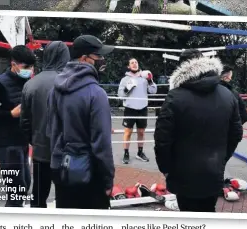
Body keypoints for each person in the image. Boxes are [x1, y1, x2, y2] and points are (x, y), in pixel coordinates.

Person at [154, 49, 243, 212]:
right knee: (208, 212)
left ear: (181, 68)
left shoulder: (175, 96)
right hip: (213, 171)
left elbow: (162, 140)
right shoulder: (228, 94)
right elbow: (236, 133)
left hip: (183, 174)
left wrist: (166, 168)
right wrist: (221, 159)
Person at [46, 35, 115, 209]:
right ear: (84, 58)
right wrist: (107, 181)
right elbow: (102, 145)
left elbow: (51, 131)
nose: (102, 60)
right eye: (98, 56)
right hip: (90, 175)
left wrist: (55, 166)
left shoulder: (55, 89)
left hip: (62, 169)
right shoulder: (96, 94)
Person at [20, 41, 70, 208]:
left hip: (40, 150)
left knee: (39, 195)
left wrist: (34, 140)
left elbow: (25, 122)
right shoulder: (69, 82)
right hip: (65, 151)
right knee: (65, 196)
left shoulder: (31, 84)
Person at [0, 45, 36, 207]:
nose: (29, 70)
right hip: (6, 143)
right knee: (16, 189)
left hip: (22, 142)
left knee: (25, 185)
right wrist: (10, 114)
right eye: (26, 67)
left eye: (32, 67)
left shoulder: (28, 83)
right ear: (13, 64)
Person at [117, 58, 157, 164]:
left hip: (142, 108)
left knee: (141, 132)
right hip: (130, 109)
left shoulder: (144, 77)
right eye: (132, 63)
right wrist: (127, 89)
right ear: (128, 66)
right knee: (128, 132)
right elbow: (120, 95)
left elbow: (153, 91)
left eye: (136, 62)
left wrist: (150, 80)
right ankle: (126, 153)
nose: (134, 64)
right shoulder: (125, 79)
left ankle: (140, 153)